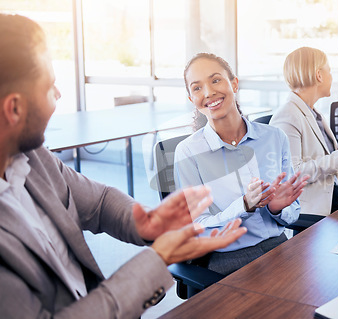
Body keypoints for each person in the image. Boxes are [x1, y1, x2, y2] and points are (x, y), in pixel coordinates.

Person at [0, 14, 247, 318]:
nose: (59, 94)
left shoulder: (32, 157)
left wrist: (144, 223)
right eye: (50, 86)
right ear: (14, 108)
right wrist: (157, 261)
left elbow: (99, 202)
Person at [174, 53, 309, 276]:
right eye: (197, 88)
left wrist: (276, 208)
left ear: (234, 83)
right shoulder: (188, 152)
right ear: (192, 100)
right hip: (228, 260)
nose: (208, 92)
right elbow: (198, 227)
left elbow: (293, 212)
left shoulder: (275, 137)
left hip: (279, 246)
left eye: (215, 80)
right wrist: (244, 205)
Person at [270, 47, 338, 220]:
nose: (332, 77)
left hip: (333, 198)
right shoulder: (287, 116)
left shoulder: (312, 112)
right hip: (311, 211)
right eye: (330, 71)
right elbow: (294, 174)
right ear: (319, 75)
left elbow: (320, 157)